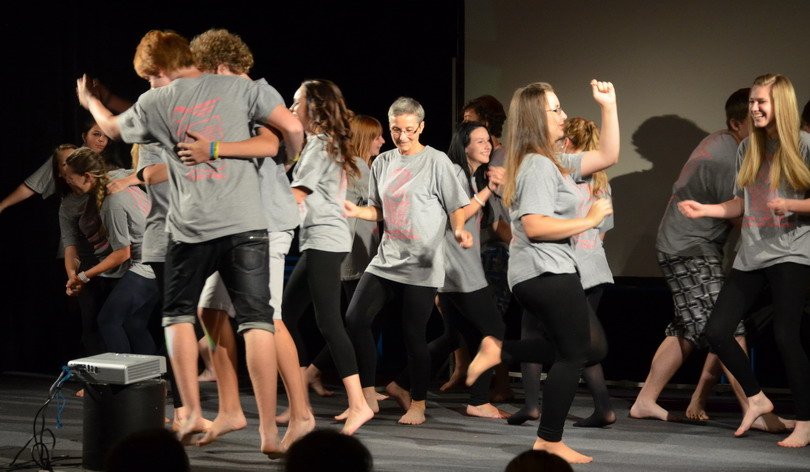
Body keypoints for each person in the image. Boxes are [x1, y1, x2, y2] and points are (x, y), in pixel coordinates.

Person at [76, 29, 303, 456]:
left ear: (161, 68)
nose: (150, 83)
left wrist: (90, 101)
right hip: (246, 223)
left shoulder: (159, 100)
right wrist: (286, 161)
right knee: (250, 320)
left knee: (180, 315)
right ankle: (262, 428)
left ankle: (196, 411)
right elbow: (288, 130)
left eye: (150, 75)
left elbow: (111, 127)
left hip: (196, 226)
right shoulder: (243, 88)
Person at [466, 80, 619, 463]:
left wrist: (609, 105)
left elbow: (609, 155)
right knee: (574, 353)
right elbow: (534, 226)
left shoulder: (555, 161)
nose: (563, 115)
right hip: (542, 269)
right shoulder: (536, 165)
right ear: (537, 117)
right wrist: (589, 220)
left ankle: (501, 349)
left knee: (593, 348)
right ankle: (549, 440)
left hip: (552, 268)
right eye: (555, 109)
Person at [188, 28, 313, 449]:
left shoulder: (255, 90)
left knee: (267, 319)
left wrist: (284, 158)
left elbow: (289, 130)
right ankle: (230, 409)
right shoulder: (230, 99)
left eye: (207, 72)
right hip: (233, 224)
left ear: (221, 66)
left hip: (266, 221)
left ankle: (301, 414)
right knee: (210, 309)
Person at [679, 73, 810, 448]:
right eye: (752, 102)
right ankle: (756, 398)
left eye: (761, 102)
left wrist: (792, 204)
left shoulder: (804, 145)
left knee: (786, 335)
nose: (754, 108)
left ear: (780, 105)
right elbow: (742, 203)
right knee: (717, 331)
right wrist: (706, 209)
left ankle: (805, 422)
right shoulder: (748, 147)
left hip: (792, 252)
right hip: (751, 253)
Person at [631, 89, 758, 423]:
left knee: (686, 329)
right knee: (728, 327)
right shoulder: (727, 157)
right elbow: (739, 215)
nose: (763, 125)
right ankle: (753, 408)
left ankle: (645, 400)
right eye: (755, 118)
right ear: (736, 124)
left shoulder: (722, 142)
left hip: (686, 245)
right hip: (689, 249)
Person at [344, 97, 473, 426]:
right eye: (396, 130)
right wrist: (356, 211)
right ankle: (367, 395)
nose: (402, 136)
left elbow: (457, 206)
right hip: (387, 259)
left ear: (422, 127)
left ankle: (418, 403)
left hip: (421, 264)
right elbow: (378, 210)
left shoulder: (436, 161)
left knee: (413, 335)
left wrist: (459, 230)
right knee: (356, 319)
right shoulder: (382, 162)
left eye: (409, 130)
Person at [385, 121, 507, 419]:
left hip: (458, 265)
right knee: (494, 331)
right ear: (464, 146)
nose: (488, 145)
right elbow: (457, 215)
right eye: (480, 141)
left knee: (455, 336)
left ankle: (401, 383)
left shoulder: (473, 177)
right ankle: (478, 401)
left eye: (488, 140)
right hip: (457, 267)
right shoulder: (453, 172)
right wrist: (489, 191)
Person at [280, 79, 374, 436]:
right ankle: (299, 403)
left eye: (296, 102)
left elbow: (297, 193)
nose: (291, 108)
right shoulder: (320, 143)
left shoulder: (321, 145)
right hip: (318, 239)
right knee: (287, 315)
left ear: (315, 107)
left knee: (329, 323)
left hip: (325, 240)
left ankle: (358, 403)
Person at [61, 148, 158, 356]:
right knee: (134, 324)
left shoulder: (111, 203)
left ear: (88, 176)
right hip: (162, 259)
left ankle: (118, 376)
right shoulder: (117, 177)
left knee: (108, 320)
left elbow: (122, 253)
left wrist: (83, 276)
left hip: (149, 264)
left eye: (70, 177)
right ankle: (154, 376)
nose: (67, 181)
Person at [0, 121, 109, 214]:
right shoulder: (67, 154)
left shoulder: (111, 162)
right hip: (74, 212)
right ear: (84, 136)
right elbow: (33, 185)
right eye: (96, 134)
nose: (101, 140)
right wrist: (2, 205)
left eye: (106, 136)